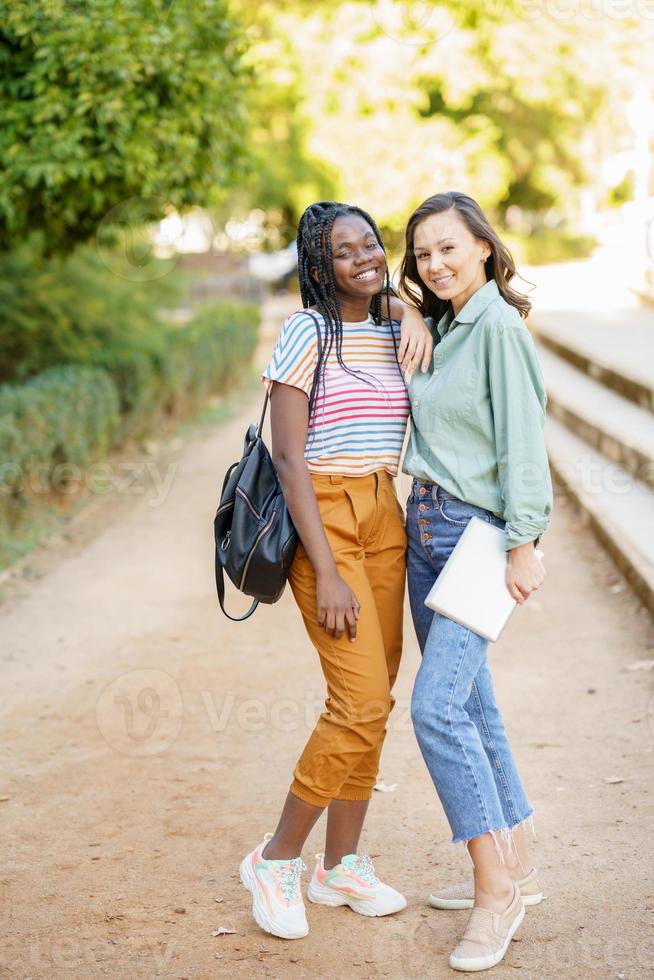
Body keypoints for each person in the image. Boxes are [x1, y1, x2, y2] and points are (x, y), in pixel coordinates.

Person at [239, 200, 432, 940]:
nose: (364, 258)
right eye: (343, 252)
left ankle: (339, 865)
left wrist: (403, 304)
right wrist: (328, 568)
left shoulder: (392, 323)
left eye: (371, 245)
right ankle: (278, 857)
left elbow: (401, 299)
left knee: (376, 696)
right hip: (324, 517)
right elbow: (288, 457)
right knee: (355, 701)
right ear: (319, 265)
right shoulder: (306, 331)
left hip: (385, 507)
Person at [399, 191, 552, 973]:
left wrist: (526, 541)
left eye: (450, 248)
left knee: (434, 708)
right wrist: (413, 311)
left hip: (479, 537)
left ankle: (496, 894)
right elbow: (378, 287)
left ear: (485, 248)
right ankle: (516, 855)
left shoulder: (495, 328)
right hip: (422, 531)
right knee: (471, 701)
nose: (436, 263)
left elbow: (525, 438)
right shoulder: (449, 323)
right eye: (423, 253)